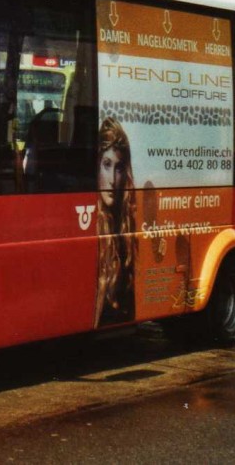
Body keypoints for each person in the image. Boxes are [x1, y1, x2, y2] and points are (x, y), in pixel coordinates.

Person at [95, 116, 136, 327]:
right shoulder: (91, 223)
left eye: (119, 168)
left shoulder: (127, 228)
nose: (112, 179)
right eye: (106, 165)